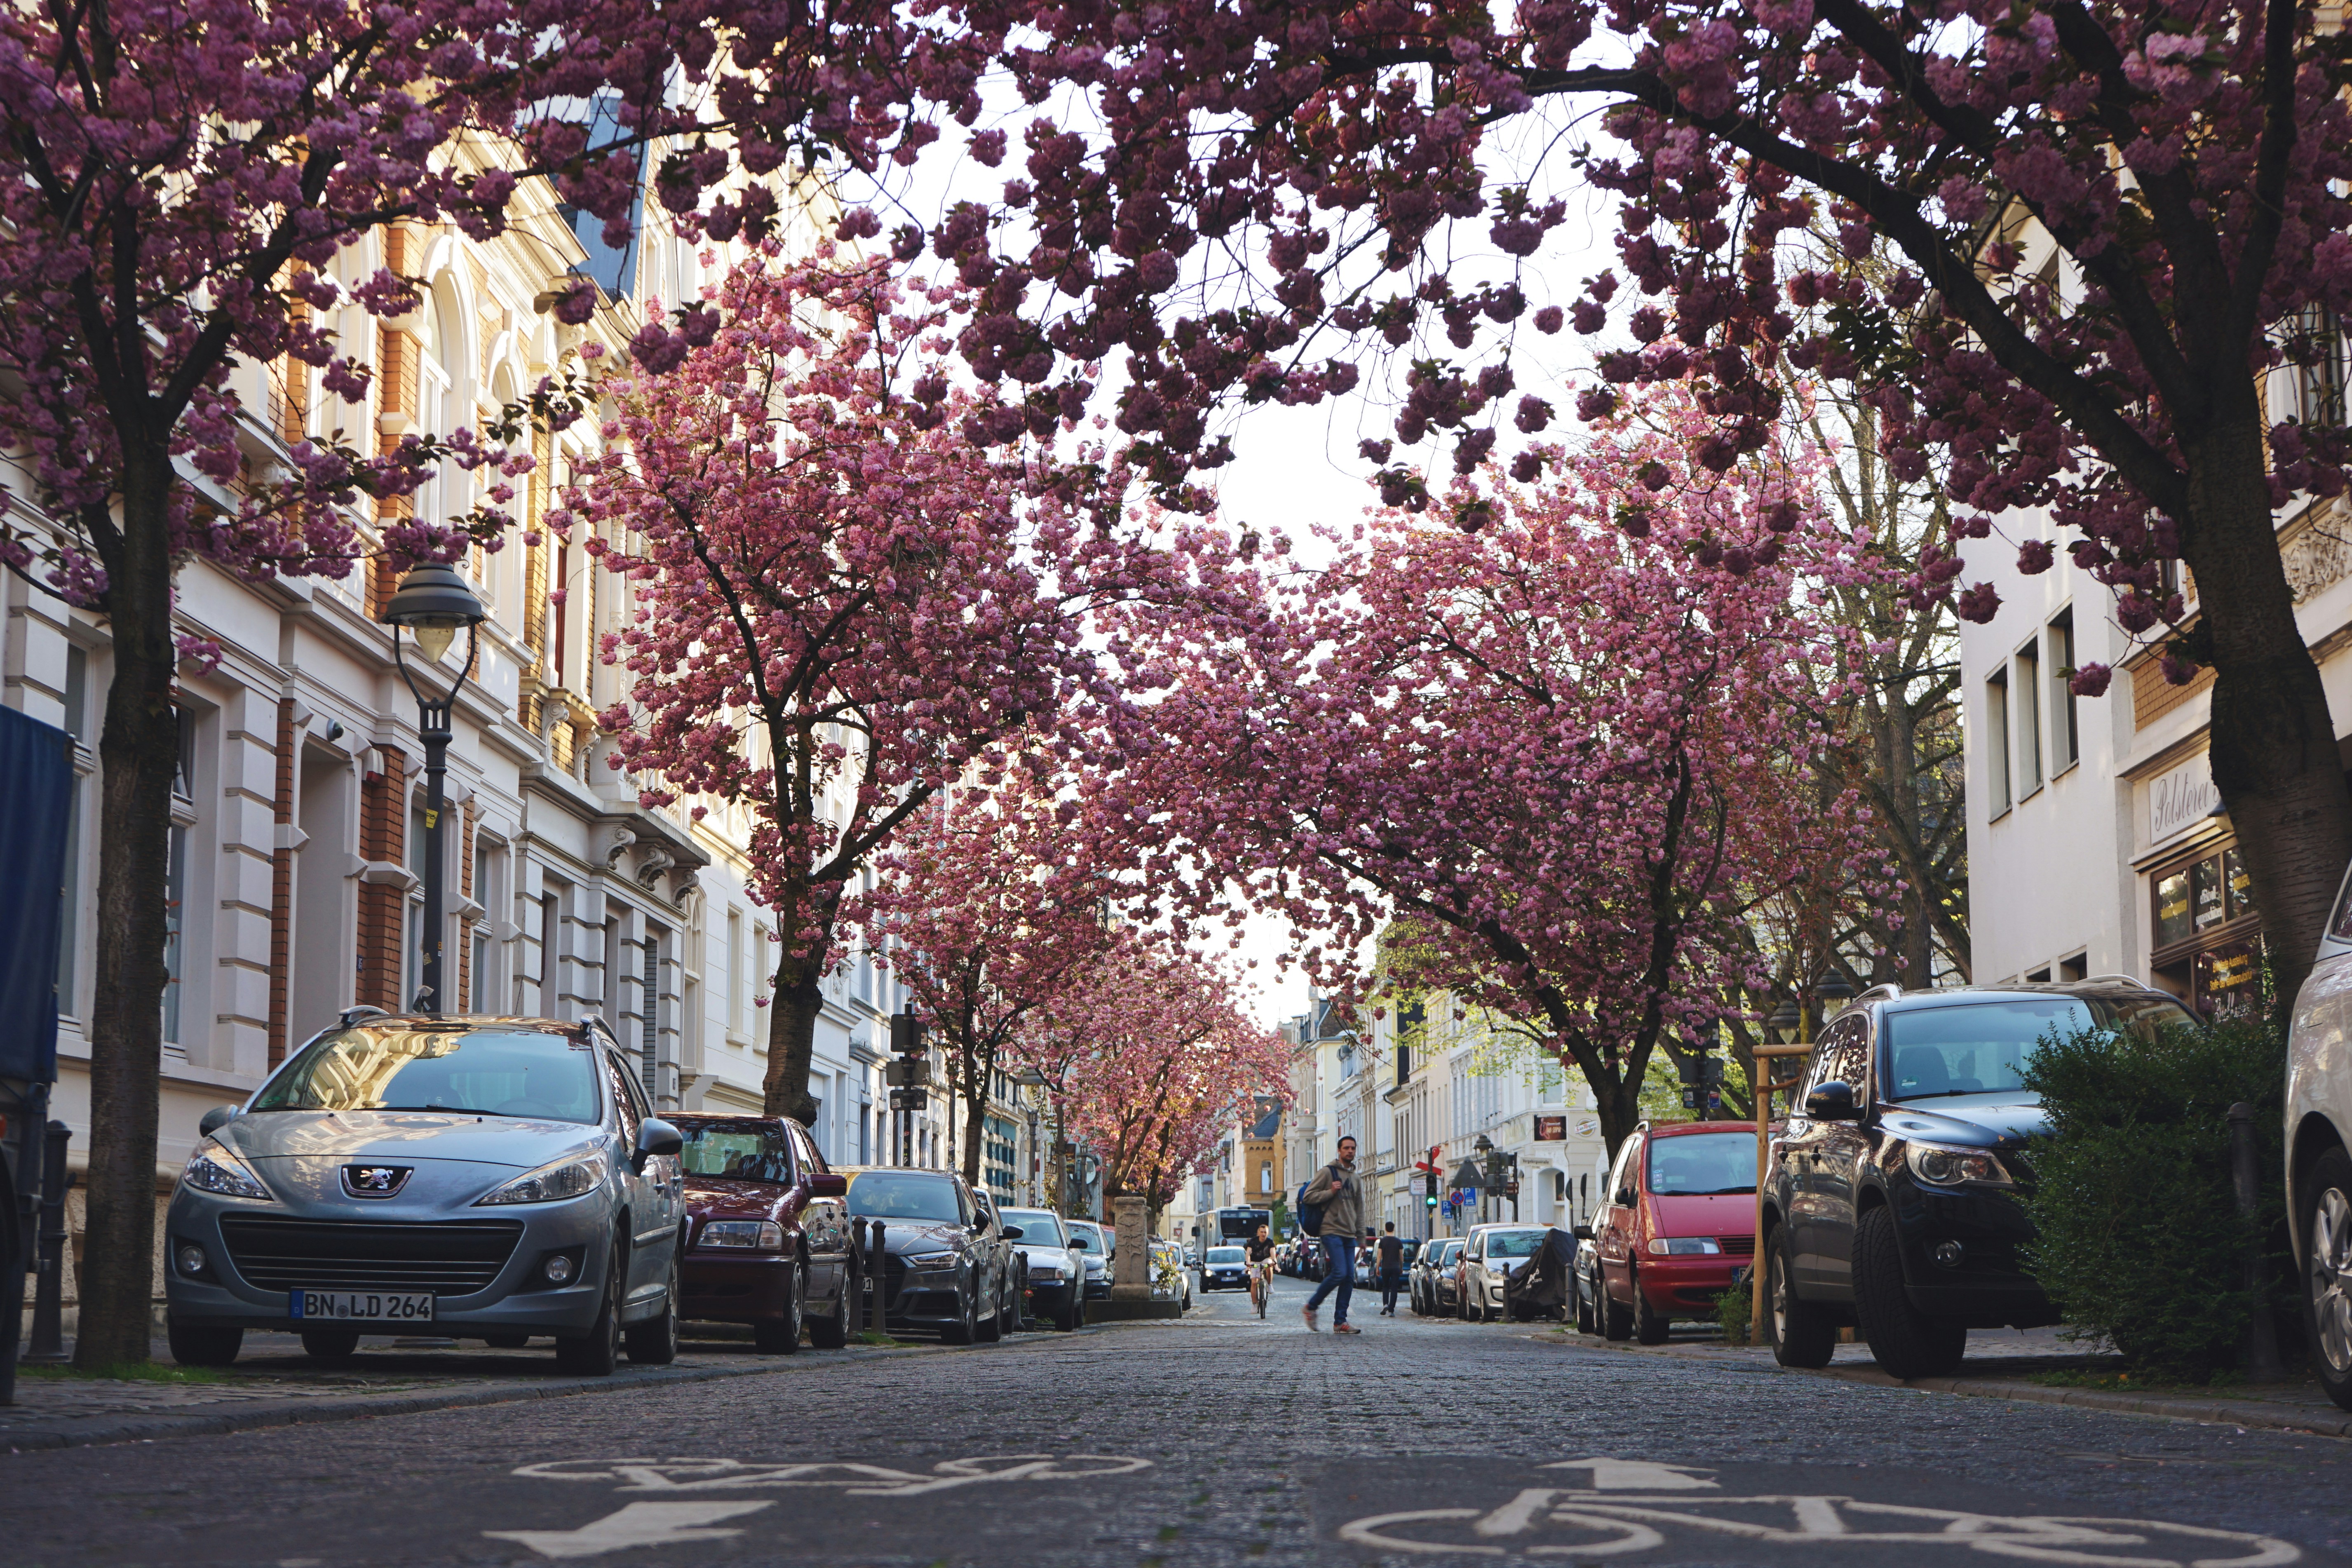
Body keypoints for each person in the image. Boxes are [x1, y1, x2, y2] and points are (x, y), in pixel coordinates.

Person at [1301, 1136, 1365, 1333]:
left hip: (1349, 1233)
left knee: (1348, 1278)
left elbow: (1360, 1209)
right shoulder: (1328, 1172)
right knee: (1340, 1272)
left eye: (1353, 1148)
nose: (1350, 1152)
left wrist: (1361, 1237)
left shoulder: (1355, 1178)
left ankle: (1340, 1322)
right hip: (1330, 1230)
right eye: (1346, 1148)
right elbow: (1308, 1196)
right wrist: (1330, 1192)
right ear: (1339, 1151)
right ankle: (1311, 1307)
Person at [1245, 1223, 1276, 1317]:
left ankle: (1270, 1284)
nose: (1263, 1234)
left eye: (1265, 1232)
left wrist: (1274, 1261)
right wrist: (1248, 1263)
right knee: (1254, 1283)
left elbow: (1273, 1253)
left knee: (1268, 1266)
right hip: (1255, 1261)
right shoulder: (1252, 1242)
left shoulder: (1270, 1242)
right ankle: (1255, 1304)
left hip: (1265, 1259)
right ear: (1258, 1232)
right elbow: (1248, 1254)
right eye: (1262, 1232)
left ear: (1268, 1233)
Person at [1376, 1222, 1406, 1316]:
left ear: (1386, 1229)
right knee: (1394, 1288)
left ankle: (1386, 1304)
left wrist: (1377, 1268)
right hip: (1395, 1267)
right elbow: (1401, 1256)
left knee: (1385, 1286)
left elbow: (1379, 1256)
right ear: (1394, 1229)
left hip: (1385, 1267)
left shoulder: (1383, 1241)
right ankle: (1391, 1310)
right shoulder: (1398, 1241)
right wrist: (1401, 1267)